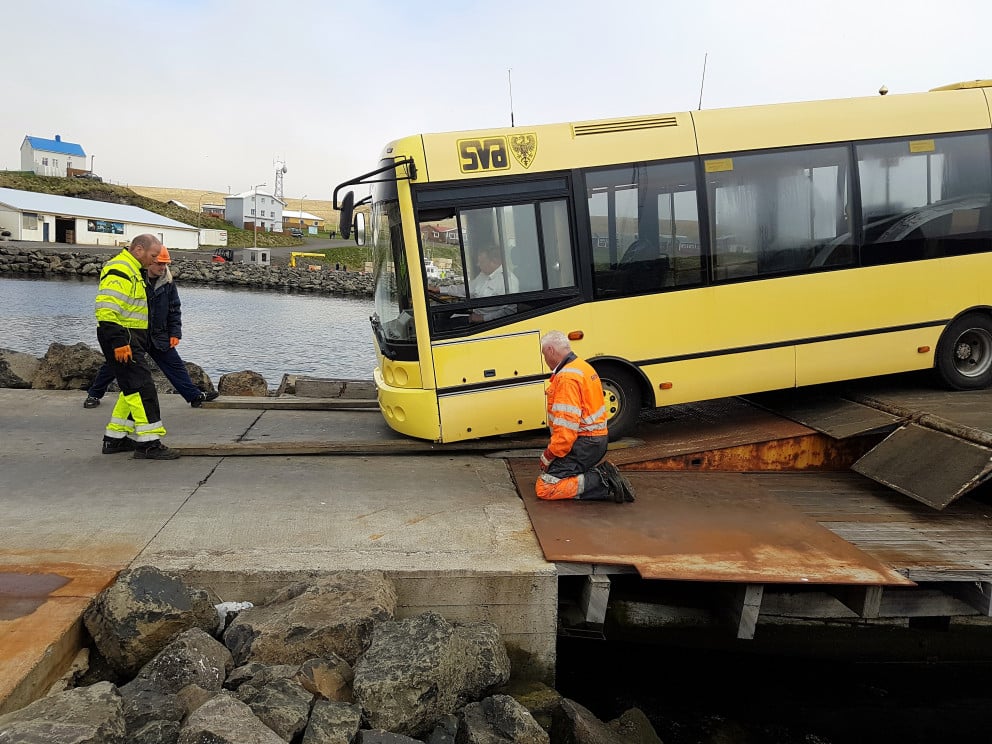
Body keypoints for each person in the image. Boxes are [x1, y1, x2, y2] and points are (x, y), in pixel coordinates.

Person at [84, 246, 219, 409]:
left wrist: (175, 332)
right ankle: (94, 394)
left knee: (174, 365)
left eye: (165, 264)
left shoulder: (168, 282)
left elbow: (174, 309)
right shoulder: (135, 277)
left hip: (158, 334)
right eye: (159, 264)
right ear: (150, 260)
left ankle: (194, 396)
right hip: (134, 333)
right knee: (113, 365)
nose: (162, 268)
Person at [94, 234, 179, 460]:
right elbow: (106, 308)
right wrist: (119, 342)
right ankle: (149, 444)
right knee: (143, 389)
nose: (153, 261)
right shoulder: (121, 269)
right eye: (152, 256)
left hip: (130, 337)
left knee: (131, 389)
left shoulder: (133, 270)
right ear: (139, 249)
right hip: (123, 338)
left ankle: (115, 438)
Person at [535, 331, 634, 503]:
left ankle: (603, 480)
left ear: (550, 350)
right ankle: (601, 476)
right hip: (595, 441)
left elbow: (566, 431)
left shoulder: (566, 378)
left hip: (584, 444)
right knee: (554, 476)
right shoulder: (582, 367)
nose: (545, 360)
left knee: (545, 487)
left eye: (544, 355)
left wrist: (548, 455)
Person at [468, 246, 519, 323]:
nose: (478, 265)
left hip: (490, 324)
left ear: (494, 261)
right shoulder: (484, 274)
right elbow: (469, 289)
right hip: (473, 315)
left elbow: (510, 311)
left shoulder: (508, 280)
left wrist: (484, 318)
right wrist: (445, 290)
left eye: (482, 262)